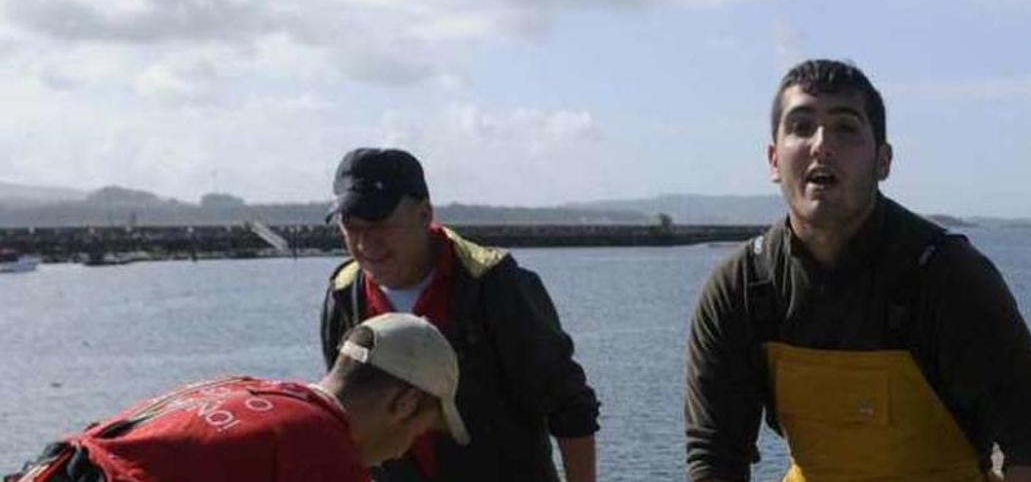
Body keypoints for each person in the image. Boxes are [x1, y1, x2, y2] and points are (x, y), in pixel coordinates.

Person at [684, 60, 1031, 482]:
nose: (821, 145)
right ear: (774, 160)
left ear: (883, 161)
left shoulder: (948, 276)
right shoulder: (741, 287)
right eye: (801, 126)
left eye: (845, 128)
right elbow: (715, 455)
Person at [320, 147, 600, 482]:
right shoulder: (343, 294)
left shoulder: (494, 284)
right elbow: (342, 417)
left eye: (380, 223)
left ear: (425, 214)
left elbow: (570, 407)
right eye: (351, 227)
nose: (366, 243)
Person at [8, 313, 468, 482]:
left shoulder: (246, 389)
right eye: (420, 429)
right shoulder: (318, 448)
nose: (406, 450)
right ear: (405, 404)